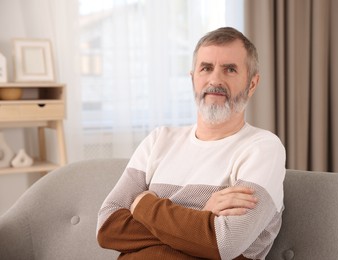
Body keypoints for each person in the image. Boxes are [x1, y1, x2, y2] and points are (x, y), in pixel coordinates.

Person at [97, 27, 286, 260]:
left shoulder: (263, 148)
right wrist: (201, 220)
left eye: (230, 70)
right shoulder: (159, 139)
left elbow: (224, 243)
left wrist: (143, 204)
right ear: (193, 78)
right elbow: (108, 227)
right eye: (206, 68)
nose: (215, 79)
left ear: (252, 83)